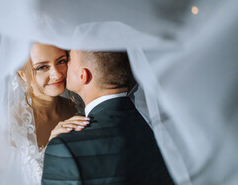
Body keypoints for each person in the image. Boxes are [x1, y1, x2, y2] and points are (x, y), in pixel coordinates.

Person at [42, 50, 174, 184]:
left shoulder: (64, 148)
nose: (63, 67)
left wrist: (51, 151)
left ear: (83, 76)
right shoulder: (160, 125)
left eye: (69, 58)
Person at [8, 43, 89, 184]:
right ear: (23, 74)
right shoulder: (9, 125)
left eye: (61, 61)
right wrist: (51, 149)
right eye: (42, 67)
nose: (57, 74)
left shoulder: (79, 108)